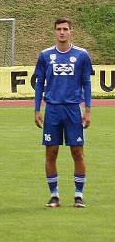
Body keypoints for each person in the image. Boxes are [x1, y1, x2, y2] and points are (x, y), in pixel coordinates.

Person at [34, 17, 93, 208]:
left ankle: (78, 195)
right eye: (59, 29)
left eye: (65, 29)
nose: (62, 32)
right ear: (54, 31)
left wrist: (88, 109)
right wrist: (37, 109)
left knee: (77, 152)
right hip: (52, 109)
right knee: (51, 152)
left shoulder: (82, 55)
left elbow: (86, 83)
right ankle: (54, 196)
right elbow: (39, 84)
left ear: (71, 31)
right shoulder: (45, 55)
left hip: (73, 109)